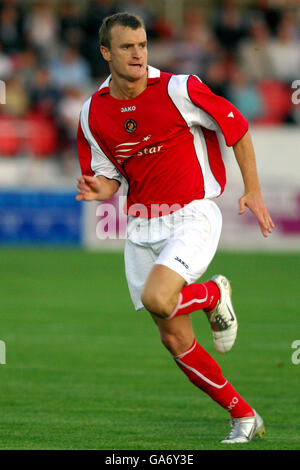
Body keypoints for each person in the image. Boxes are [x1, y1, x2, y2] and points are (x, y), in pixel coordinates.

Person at [76, 12, 275, 444]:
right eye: (127, 46)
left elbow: (236, 127)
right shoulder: (93, 112)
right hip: (141, 227)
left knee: (157, 298)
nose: (138, 53)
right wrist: (100, 188)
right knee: (172, 336)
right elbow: (110, 172)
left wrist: (253, 189)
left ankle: (213, 293)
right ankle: (244, 416)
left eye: (143, 44)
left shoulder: (179, 87)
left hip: (191, 215)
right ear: (106, 52)